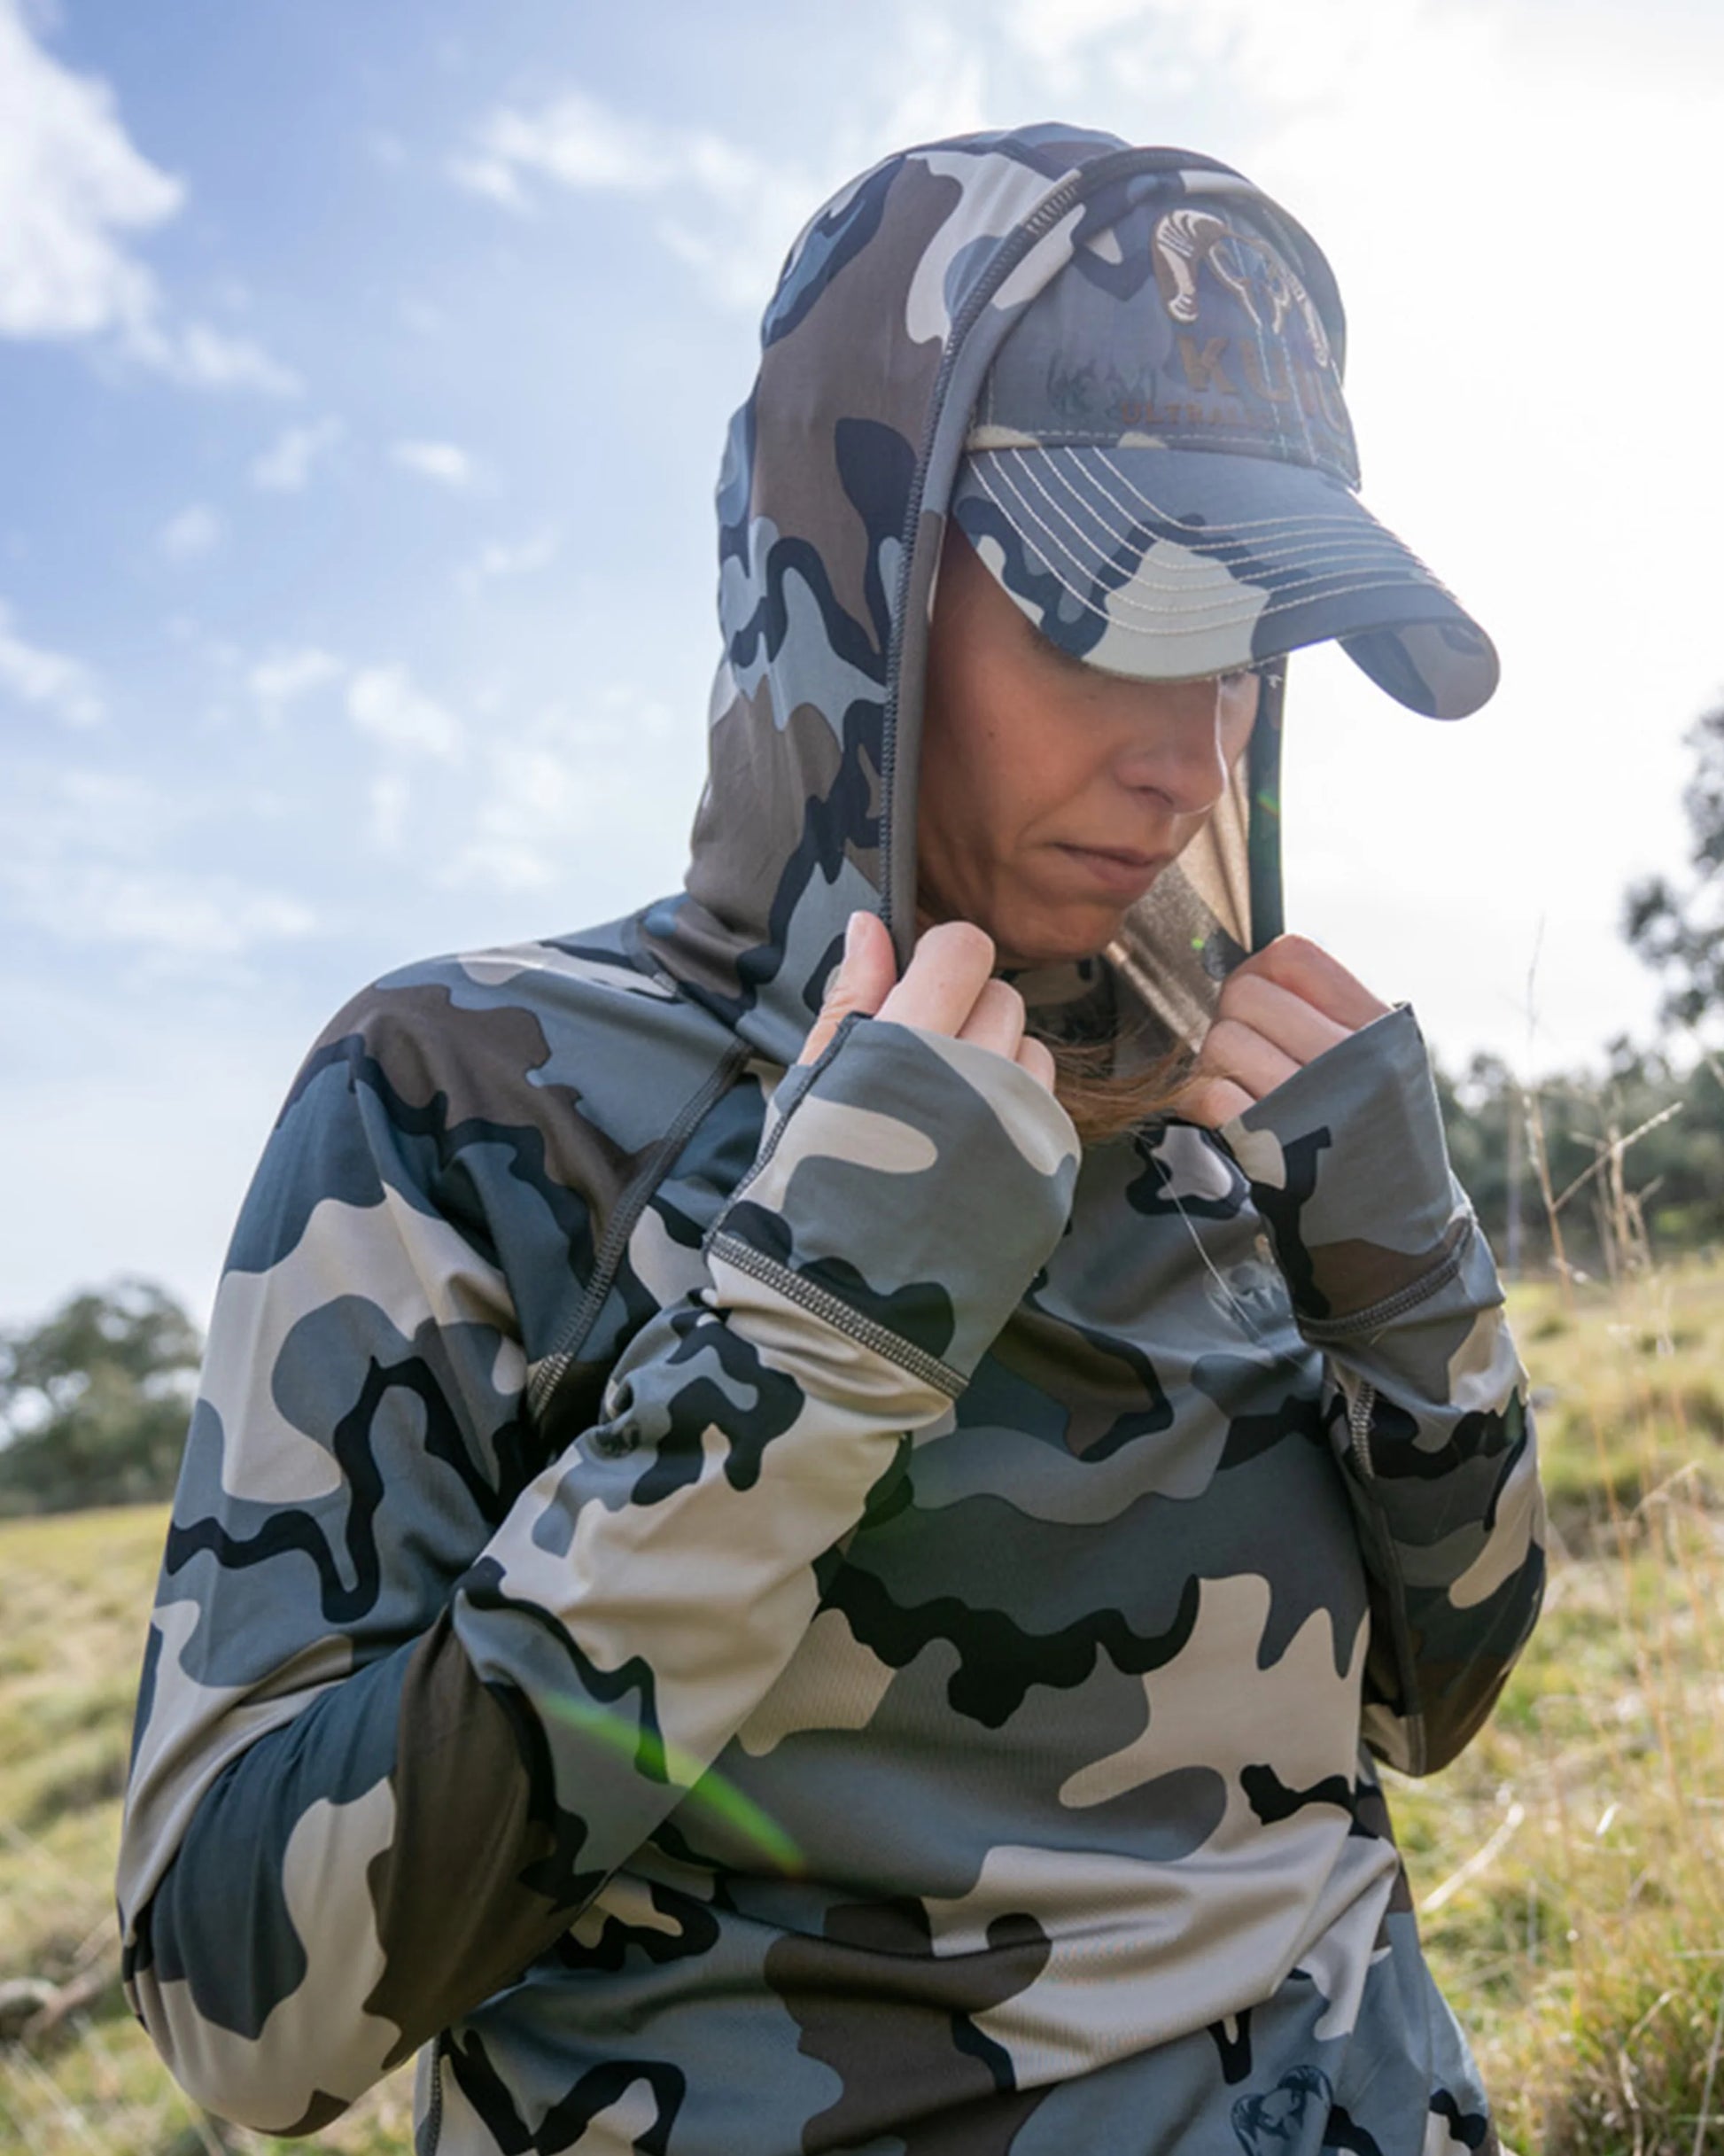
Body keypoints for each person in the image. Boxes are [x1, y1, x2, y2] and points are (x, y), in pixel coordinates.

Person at [117, 124, 1544, 2155]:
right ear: (860, 587)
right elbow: (240, 2014)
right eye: (1120, 618)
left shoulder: (1229, 1088)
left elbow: (1429, 1703)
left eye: (1250, 647)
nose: (1191, 750)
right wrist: (798, 1351)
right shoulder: (472, 1096)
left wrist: (1413, 1290)